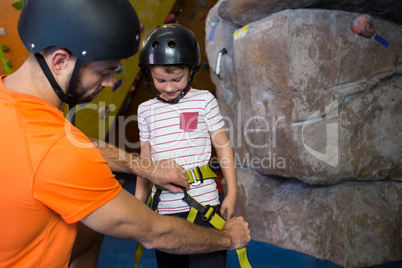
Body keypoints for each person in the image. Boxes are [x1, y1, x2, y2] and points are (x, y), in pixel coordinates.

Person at [0, 1, 251, 268]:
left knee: (89, 225)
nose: (109, 83)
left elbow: (77, 143)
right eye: (104, 72)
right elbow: (156, 232)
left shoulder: (24, 112)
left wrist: (143, 167)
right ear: (60, 61)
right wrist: (228, 237)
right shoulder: (60, 152)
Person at [136, 24, 239, 268]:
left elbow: (223, 146)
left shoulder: (204, 100)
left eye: (177, 79)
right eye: (160, 79)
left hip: (205, 205)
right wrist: (138, 203)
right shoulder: (145, 110)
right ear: (148, 71)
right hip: (163, 209)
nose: (169, 87)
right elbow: (144, 162)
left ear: (191, 70)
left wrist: (232, 192)